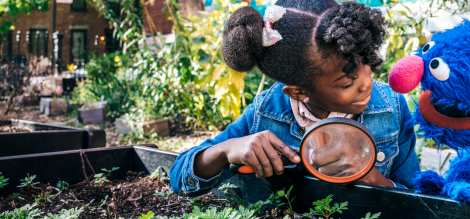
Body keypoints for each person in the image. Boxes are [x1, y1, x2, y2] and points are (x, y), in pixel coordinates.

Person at [170, 0, 419, 197]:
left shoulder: (391, 107)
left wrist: (371, 178)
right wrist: (225, 150)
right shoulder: (264, 115)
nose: (367, 82)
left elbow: (419, 198)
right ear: (298, 92)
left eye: (365, 61)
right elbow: (179, 178)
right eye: (347, 82)